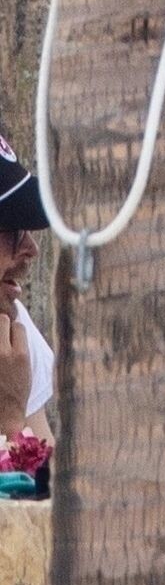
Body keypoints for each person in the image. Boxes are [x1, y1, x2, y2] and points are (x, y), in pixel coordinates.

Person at [0, 137, 56, 449]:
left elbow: (49, 469)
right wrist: (11, 423)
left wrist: (14, 422)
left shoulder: (11, 326)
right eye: (12, 229)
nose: (31, 248)